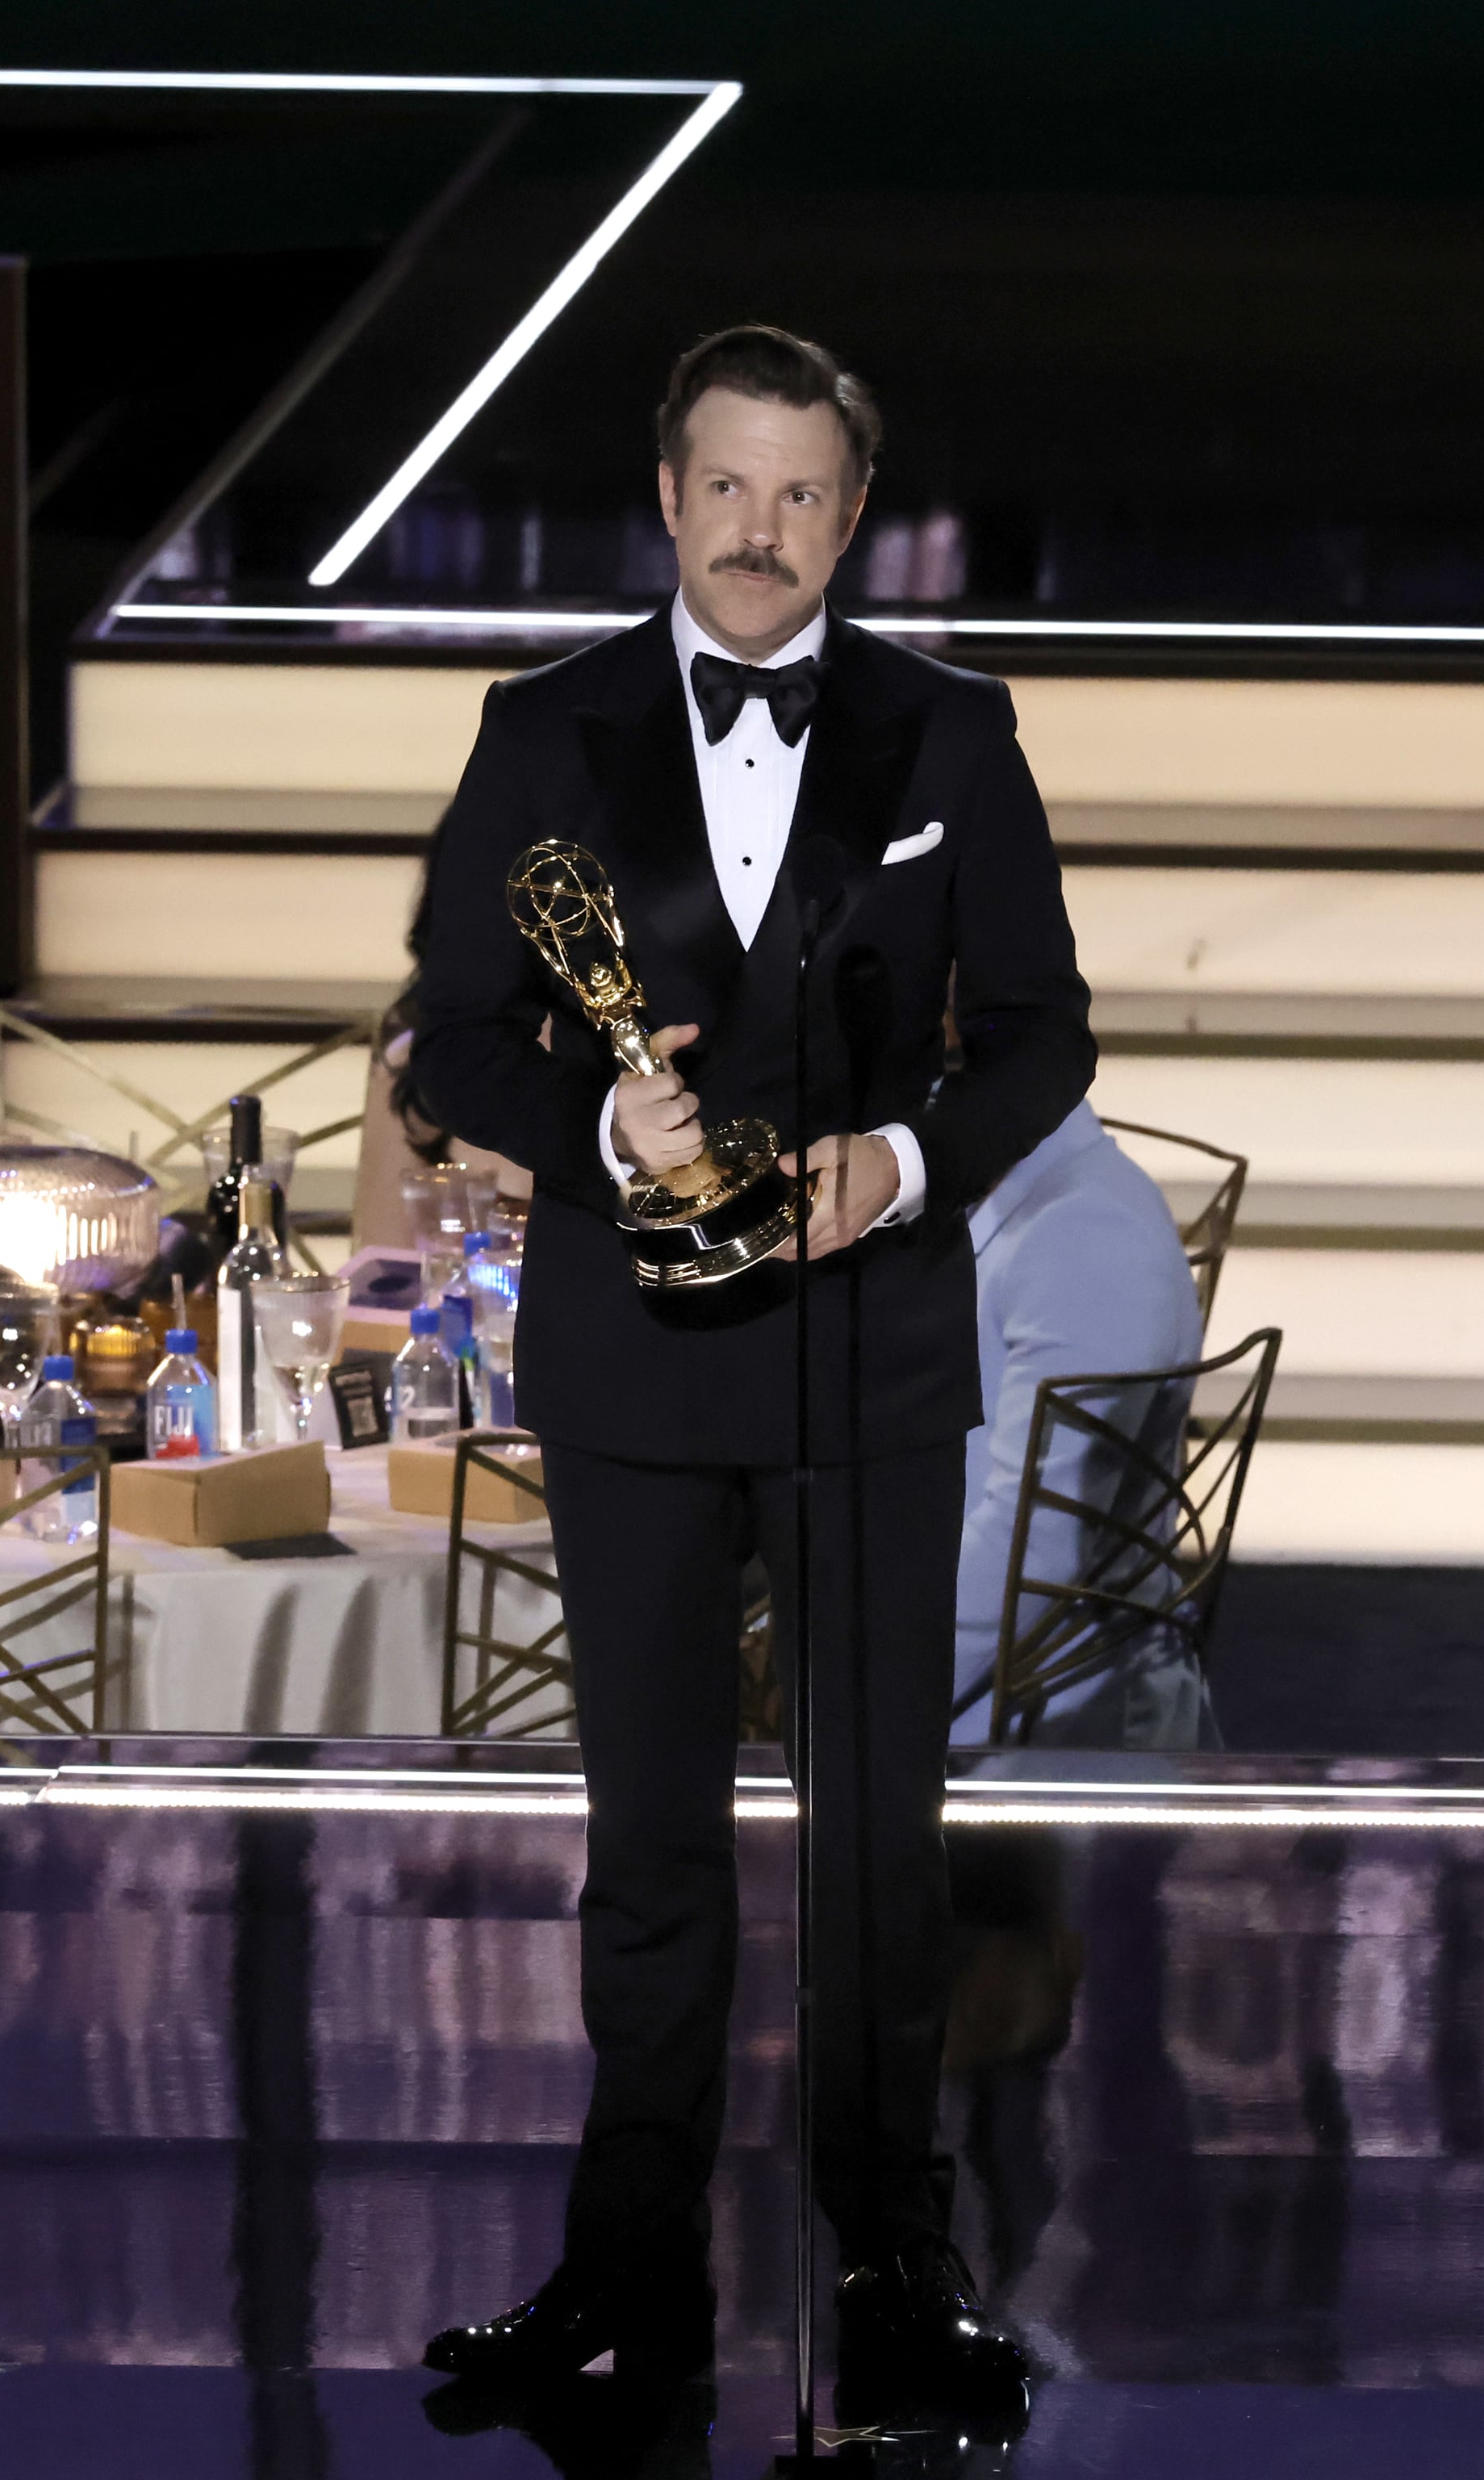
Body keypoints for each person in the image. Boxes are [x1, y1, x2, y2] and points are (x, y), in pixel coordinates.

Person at [412, 325, 1095, 2416]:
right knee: (652, 1856)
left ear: (854, 517)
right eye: (730, 486)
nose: (761, 529)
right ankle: (621, 2274)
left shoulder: (950, 730)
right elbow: (448, 1034)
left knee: (882, 1853)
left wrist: (894, 1165)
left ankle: (902, 2274)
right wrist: (611, 1132)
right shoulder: (547, 725)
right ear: (667, 492)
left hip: (870, 1361)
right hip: (631, 1364)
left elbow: (1046, 1032)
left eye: (804, 493)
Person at [951, 1101, 1208, 1746]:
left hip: (1042, 1758)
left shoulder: (1082, 1229)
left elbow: (1036, 1548)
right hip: (988, 1730)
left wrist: (848, 1684)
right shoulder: (1024, 1210)